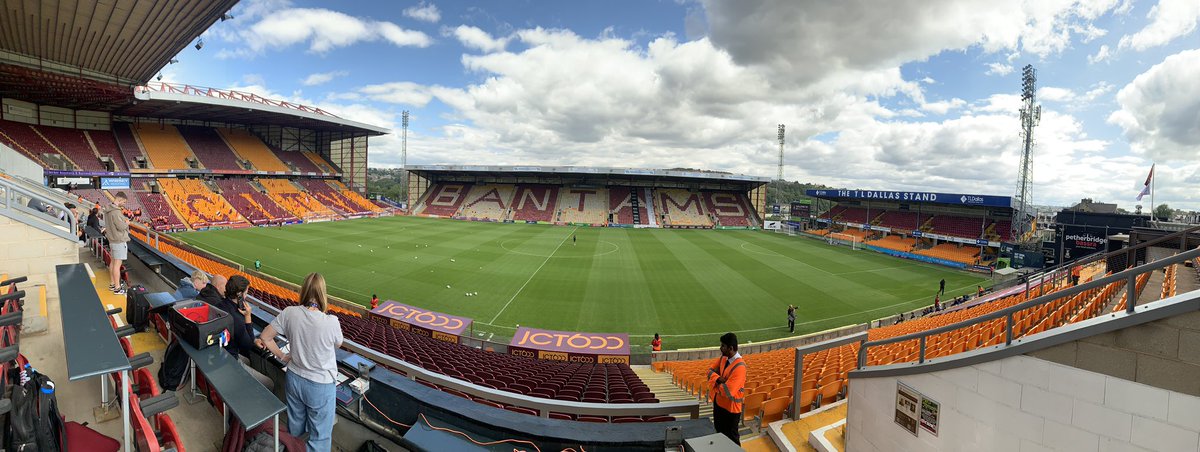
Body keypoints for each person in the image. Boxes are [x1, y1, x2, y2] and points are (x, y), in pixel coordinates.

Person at [257, 273, 343, 452]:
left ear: (304, 291)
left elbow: (265, 337)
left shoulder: (290, 313)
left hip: (294, 379)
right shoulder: (331, 321)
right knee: (320, 438)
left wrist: (282, 356)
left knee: (295, 432)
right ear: (323, 293)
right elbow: (338, 343)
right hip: (320, 385)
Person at [708, 332, 746, 445]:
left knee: (732, 439)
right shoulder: (723, 358)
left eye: (723, 346)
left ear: (731, 348)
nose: (720, 348)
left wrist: (715, 383)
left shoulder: (740, 367)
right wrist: (719, 379)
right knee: (719, 434)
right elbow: (709, 372)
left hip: (731, 410)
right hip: (719, 405)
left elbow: (728, 391)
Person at [102, 192, 130, 295]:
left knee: (113, 263)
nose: (124, 204)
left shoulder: (108, 210)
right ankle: (117, 288)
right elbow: (121, 227)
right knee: (117, 265)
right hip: (118, 240)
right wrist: (126, 223)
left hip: (112, 240)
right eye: (124, 202)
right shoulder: (116, 212)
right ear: (120, 200)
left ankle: (113, 283)